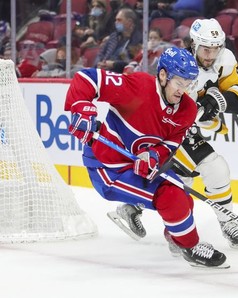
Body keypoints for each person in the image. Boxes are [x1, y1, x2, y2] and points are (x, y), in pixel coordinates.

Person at [64, 46, 229, 269]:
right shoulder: (137, 86)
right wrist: (81, 109)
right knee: (172, 197)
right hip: (108, 167)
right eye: (179, 83)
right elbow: (87, 78)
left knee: (184, 199)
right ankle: (190, 247)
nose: (184, 90)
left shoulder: (187, 110)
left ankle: (175, 236)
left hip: (135, 165)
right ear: (163, 76)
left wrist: (154, 156)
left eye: (189, 84)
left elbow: (170, 145)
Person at [119, 18, 238, 252]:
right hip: (169, 127)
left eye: (215, 49)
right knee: (206, 170)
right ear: (194, 44)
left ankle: (137, 210)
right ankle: (191, 228)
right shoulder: (181, 63)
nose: (211, 55)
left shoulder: (225, 59)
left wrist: (215, 100)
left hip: (187, 129)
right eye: (206, 49)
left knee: (182, 177)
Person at [95, 8, 142, 73]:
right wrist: (99, 63)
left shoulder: (138, 39)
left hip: (121, 74)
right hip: (103, 70)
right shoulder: (113, 36)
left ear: (129, 22)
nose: (116, 22)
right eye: (116, 20)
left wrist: (114, 64)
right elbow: (101, 53)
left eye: (119, 20)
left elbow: (133, 63)